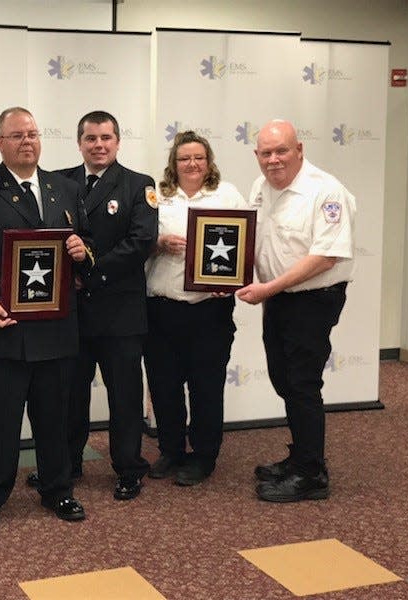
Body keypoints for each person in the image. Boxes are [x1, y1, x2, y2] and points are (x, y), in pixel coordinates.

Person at [0, 107, 94, 532]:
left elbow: (82, 244)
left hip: (56, 330)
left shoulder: (65, 188)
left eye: (32, 133)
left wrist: (83, 254)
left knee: (55, 419)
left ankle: (58, 489)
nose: (27, 141)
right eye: (17, 135)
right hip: (1, 328)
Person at [28, 110, 155, 500]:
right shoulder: (58, 182)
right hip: (72, 312)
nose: (98, 145)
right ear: (79, 142)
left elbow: (141, 242)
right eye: (91, 138)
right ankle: (66, 463)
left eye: (106, 138)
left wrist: (91, 268)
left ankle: (129, 467)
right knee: (68, 395)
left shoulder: (139, 185)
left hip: (119, 311)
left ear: (118, 142)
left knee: (125, 397)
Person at [236, 119, 355, 503]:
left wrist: (269, 288)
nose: (274, 160)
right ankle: (301, 455)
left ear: (299, 149)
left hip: (312, 299)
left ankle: (311, 474)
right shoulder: (260, 188)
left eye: (281, 150)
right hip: (279, 298)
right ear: (257, 156)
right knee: (283, 379)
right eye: (266, 153)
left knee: (303, 383)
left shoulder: (326, 191)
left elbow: (326, 256)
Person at [143, 131, 246, 486]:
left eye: (198, 157)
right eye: (184, 158)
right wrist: (158, 242)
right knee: (164, 385)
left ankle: (203, 456)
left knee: (206, 386)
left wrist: (230, 282)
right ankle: (171, 450)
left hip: (208, 310)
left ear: (209, 161)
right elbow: (137, 240)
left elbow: (244, 244)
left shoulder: (227, 194)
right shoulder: (156, 195)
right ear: (174, 162)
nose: (192, 164)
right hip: (160, 308)